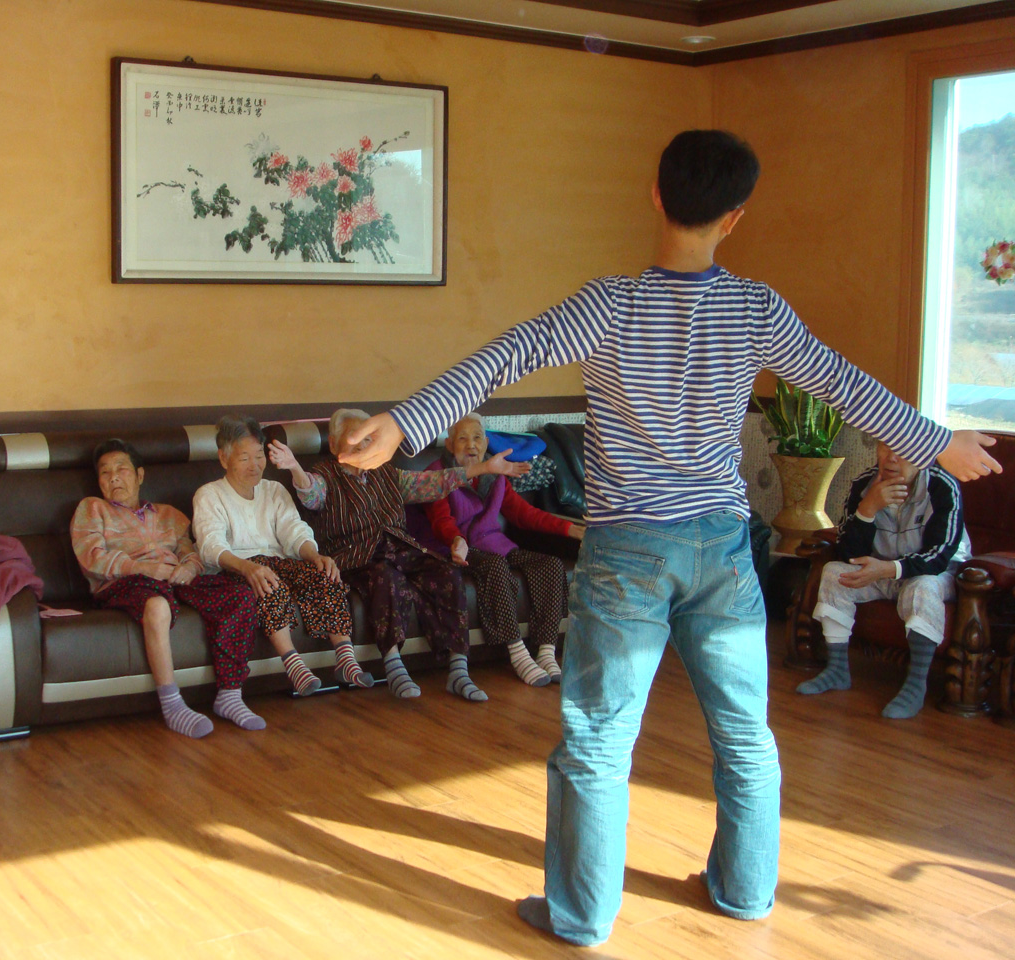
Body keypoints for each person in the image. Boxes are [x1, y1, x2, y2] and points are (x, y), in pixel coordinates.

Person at [336, 130, 1001, 946]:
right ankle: (744, 894)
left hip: (629, 552)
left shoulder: (607, 304)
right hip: (721, 549)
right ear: (735, 216)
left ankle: (580, 917)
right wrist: (938, 441)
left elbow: (506, 356)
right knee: (745, 735)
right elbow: (842, 381)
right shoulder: (755, 307)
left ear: (656, 194)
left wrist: (404, 420)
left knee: (598, 740)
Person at [269, 408, 528, 702]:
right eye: (355, 438)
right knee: (386, 578)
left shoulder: (387, 472)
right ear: (334, 444)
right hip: (357, 557)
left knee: (446, 572)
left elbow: (432, 483)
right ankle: (394, 667)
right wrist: (295, 467)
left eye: (369, 439)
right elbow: (310, 493)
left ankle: (458, 670)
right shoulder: (325, 476)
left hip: (401, 548)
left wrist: (482, 468)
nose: (363, 445)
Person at [70, 439, 262, 737]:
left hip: (173, 579)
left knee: (238, 595)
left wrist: (189, 568)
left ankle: (230, 694)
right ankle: (172, 704)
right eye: (105, 473)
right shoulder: (93, 508)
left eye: (121, 469)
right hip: (124, 582)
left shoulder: (169, 515)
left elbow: (191, 552)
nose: (114, 477)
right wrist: (143, 568)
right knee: (157, 603)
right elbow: (91, 558)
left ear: (140, 475)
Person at [192, 415, 374, 695]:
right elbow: (210, 545)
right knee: (268, 581)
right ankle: (294, 666)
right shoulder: (209, 495)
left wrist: (315, 556)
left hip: (278, 564)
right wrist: (247, 568)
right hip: (236, 568)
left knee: (324, 574)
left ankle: (346, 661)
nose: (255, 465)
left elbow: (293, 530)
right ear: (223, 458)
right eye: (244, 458)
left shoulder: (274, 490)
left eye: (259, 456)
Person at [411, 412, 585, 687]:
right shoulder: (437, 474)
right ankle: (517, 652)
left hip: (495, 545)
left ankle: (546, 650)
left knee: (549, 565)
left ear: (486, 443)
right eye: (463, 438)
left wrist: (569, 529)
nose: (471, 445)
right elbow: (440, 520)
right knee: (494, 566)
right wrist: (456, 539)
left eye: (477, 438)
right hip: (455, 548)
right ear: (450, 444)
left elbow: (523, 514)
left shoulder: (496, 474)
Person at [798, 441, 970, 718]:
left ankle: (915, 686)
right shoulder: (864, 484)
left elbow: (939, 556)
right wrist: (867, 509)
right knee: (834, 572)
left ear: (922, 454)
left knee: (922, 587)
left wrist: (889, 569)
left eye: (902, 450)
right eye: (884, 447)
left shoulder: (942, 486)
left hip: (937, 574)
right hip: (879, 569)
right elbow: (848, 552)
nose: (891, 458)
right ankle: (837, 670)